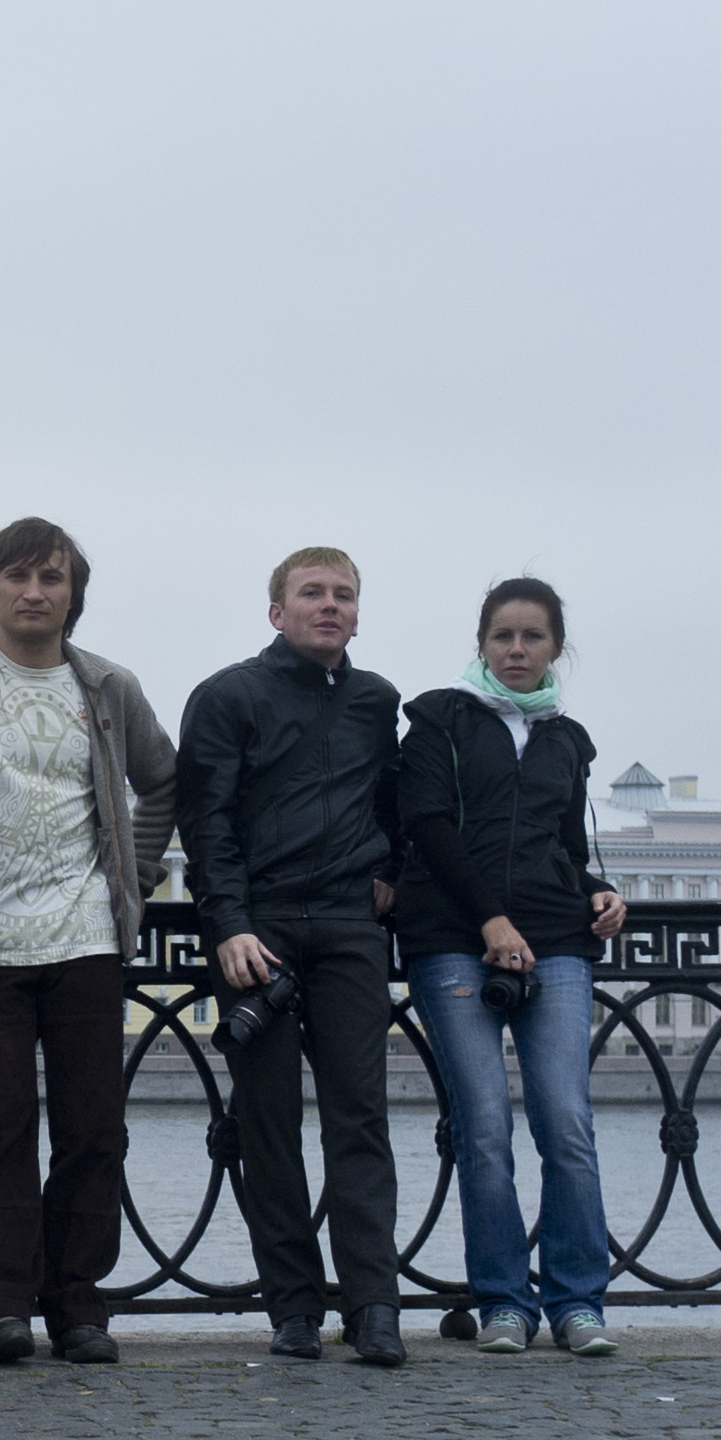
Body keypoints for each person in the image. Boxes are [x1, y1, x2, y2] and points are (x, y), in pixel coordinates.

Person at [0, 517, 179, 1366]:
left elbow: (164, 782)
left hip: (87, 938)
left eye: (51, 578)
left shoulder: (109, 687)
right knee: (0, 1126)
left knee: (93, 1130)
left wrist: (130, 877)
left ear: (73, 594)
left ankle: (78, 1306)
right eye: (18, 577)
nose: (34, 592)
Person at [175, 548, 407, 1364]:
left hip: (348, 925)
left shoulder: (377, 702)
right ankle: (295, 1308)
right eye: (312, 593)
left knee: (360, 1119)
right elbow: (206, 822)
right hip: (258, 930)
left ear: (358, 614)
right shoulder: (228, 696)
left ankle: (375, 1306)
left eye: (344, 595)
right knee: (268, 1124)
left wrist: (392, 869)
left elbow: (395, 801)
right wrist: (229, 924)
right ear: (277, 612)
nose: (330, 605)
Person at [397, 577, 630, 1357]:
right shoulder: (439, 719)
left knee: (566, 1121)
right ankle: (503, 1301)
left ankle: (578, 1304)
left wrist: (598, 892)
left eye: (533, 637)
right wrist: (489, 920)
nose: (517, 650)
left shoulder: (567, 739)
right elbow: (428, 825)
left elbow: (565, 847)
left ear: (556, 647)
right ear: (482, 643)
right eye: (503, 636)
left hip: (556, 937)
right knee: (486, 1125)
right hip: (452, 937)